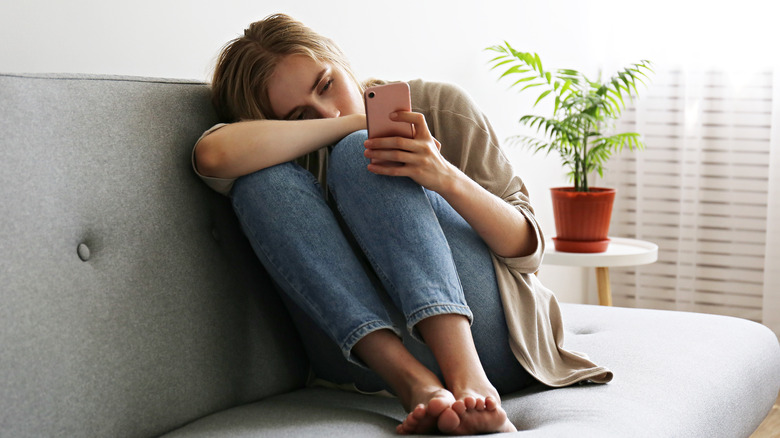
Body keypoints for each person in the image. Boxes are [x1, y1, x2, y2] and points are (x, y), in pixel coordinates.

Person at [192, 13, 612, 435]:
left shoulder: (440, 105)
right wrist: (355, 123)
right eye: (299, 116)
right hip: (365, 364)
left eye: (326, 84)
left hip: (493, 345)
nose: (327, 110)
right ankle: (417, 386)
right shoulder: (279, 151)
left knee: (362, 153)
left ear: (338, 59)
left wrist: (443, 176)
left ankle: (468, 378)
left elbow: (529, 252)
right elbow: (211, 156)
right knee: (262, 182)